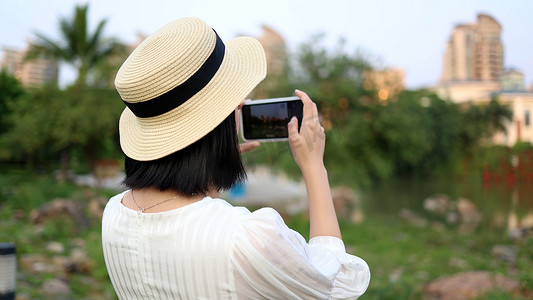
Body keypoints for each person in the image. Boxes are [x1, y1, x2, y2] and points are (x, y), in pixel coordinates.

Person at [101, 17, 370, 299]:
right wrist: (315, 168)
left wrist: (209, 174)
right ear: (219, 121)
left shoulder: (114, 214)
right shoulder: (247, 236)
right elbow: (337, 285)